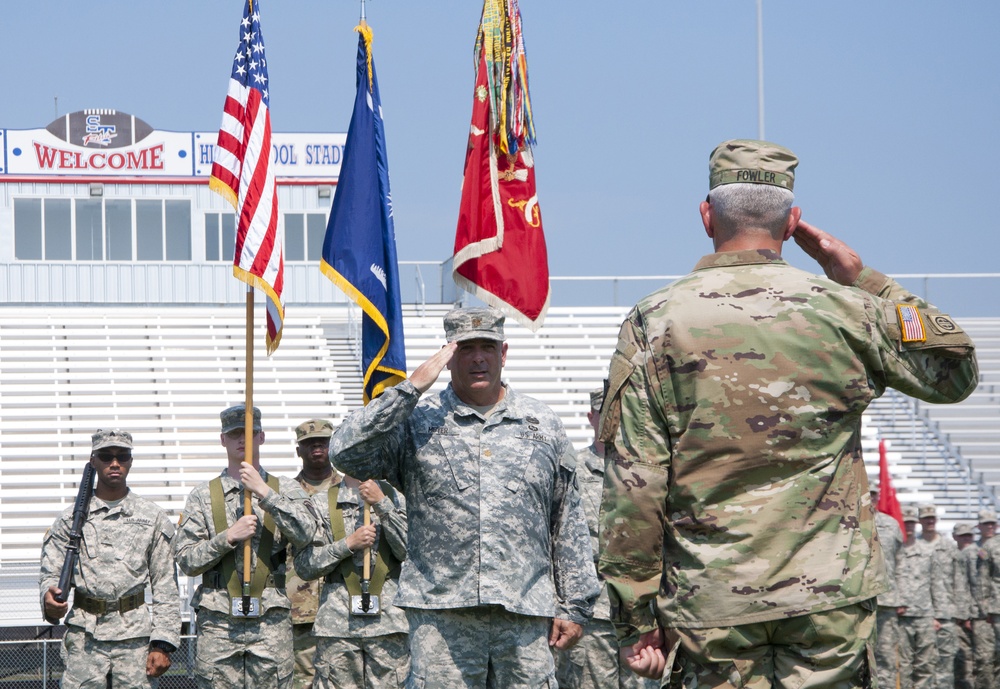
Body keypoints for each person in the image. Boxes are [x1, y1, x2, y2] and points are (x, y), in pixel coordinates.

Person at [596, 138, 979, 688]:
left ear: (707, 216)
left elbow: (635, 484)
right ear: (793, 220)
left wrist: (633, 615)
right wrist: (862, 278)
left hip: (713, 597)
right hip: (828, 597)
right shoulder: (848, 308)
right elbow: (955, 372)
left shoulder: (657, 320)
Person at [329, 306, 600, 688]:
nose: (478, 357)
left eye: (487, 347)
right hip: (442, 618)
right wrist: (410, 389)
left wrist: (575, 605)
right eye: (466, 347)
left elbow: (565, 519)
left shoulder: (542, 424)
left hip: (522, 616)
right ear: (448, 354)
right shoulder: (418, 421)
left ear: (502, 353)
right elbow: (344, 453)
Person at [173, 404, 318, 689]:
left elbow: (307, 534)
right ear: (222, 439)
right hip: (218, 622)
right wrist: (227, 538)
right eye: (235, 433)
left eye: (249, 433)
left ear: (261, 437)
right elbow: (187, 560)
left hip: (270, 620)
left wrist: (266, 494)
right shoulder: (203, 496)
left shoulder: (284, 489)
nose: (242, 439)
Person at [39, 428, 180, 688]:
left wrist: (163, 643)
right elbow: (51, 573)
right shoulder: (70, 520)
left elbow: (165, 586)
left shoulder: (153, 518)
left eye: (122, 456)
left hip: (135, 640)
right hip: (85, 640)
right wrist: (48, 600)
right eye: (106, 456)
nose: (115, 463)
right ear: (93, 461)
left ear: (130, 462)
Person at [553, 387, 658, 689]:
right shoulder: (572, 470)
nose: (615, 420)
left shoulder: (650, 474)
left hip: (640, 613)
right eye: (607, 412)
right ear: (591, 417)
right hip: (592, 614)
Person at [294, 463, 410, 687]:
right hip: (338, 625)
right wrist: (347, 544)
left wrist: (382, 504)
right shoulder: (321, 503)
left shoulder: (397, 497)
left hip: (388, 624)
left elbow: (410, 552)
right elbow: (305, 566)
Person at [285, 419, 342, 689]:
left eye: (323, 441)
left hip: (344, 604)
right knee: (303, 681)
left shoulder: (352, 490)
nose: (316, 446)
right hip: (300, 607)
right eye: (309, 443)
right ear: (299, 451)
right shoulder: (286, 495)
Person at [918, 504, 961, 689]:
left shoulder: (948, 547)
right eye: (926, 518)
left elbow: (959, 580)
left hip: (946, 613)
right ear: (920, 521)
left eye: (932, 518)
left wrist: (959, 611)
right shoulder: (914, 546)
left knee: (946, 661)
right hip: (921, 612)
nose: (929, 521)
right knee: (923, 663)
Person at [898, 505, 939, 689]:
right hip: (900, 617)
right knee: (902, 664)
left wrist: (937, 615)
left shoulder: (927, 551)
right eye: (905, 523)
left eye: (911, 523)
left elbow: (936, 583)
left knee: (925, 663)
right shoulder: (893, 552)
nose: (908, 527)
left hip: (924, 614)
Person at [871, 481, 905, 689]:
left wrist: (902, 596)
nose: (871, 498)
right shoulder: (847, 520)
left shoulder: (891, 524)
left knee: (885, 655)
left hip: (887, 599)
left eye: (874, 495)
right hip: (858, 599)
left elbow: (901, 562)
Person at [974, 510, 999, 689]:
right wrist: (984, 608)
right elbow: (982, 580)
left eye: (993, 523)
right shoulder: (987, 547)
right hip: (996, 607)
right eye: (986, 523)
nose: (990, 526)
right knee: (989, 655)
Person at [953, 522, 977, 689]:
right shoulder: (950, 554)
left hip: (977, 614)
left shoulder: (980, 552)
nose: (967, 538)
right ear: (955, 537)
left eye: (969, 535)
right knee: (960, 658)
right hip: (955, 614)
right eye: (963, 535)